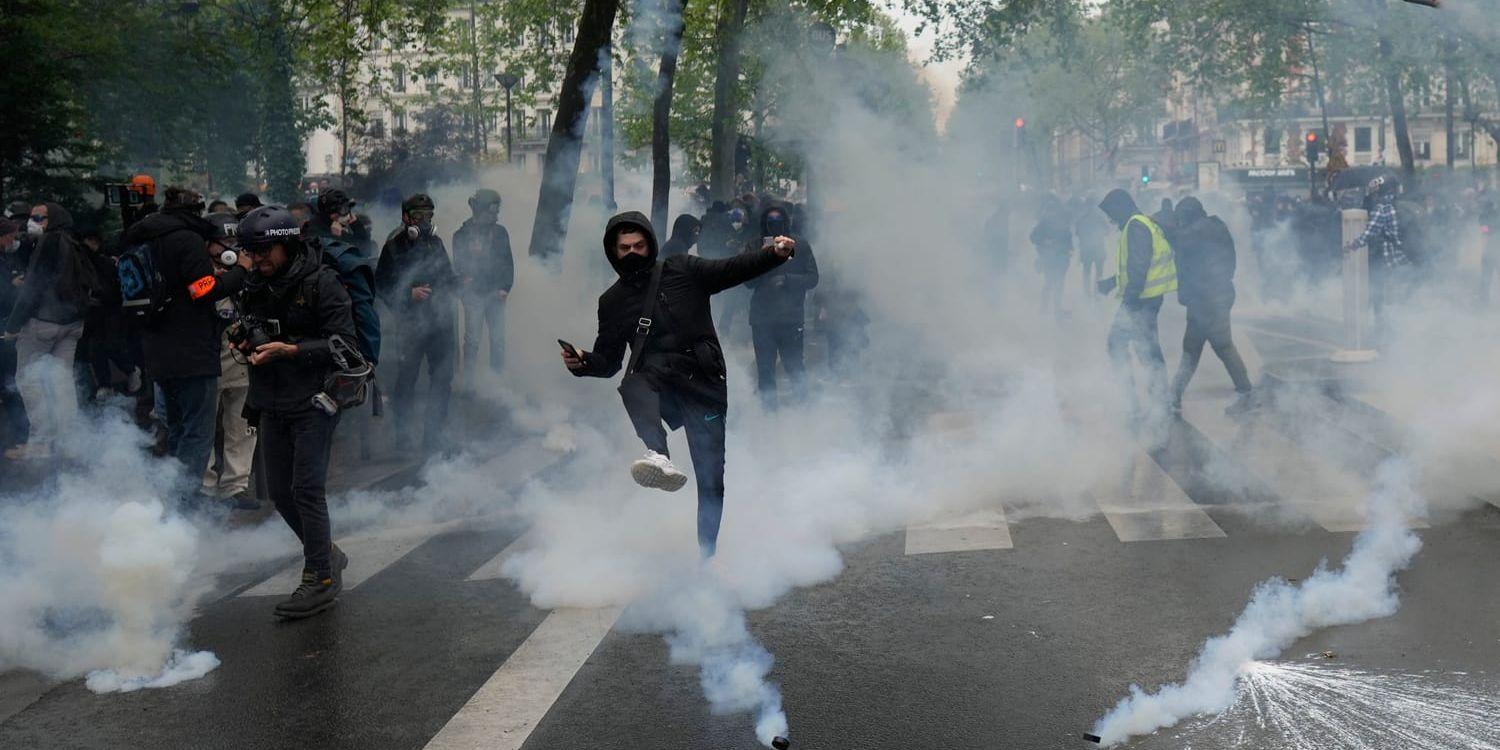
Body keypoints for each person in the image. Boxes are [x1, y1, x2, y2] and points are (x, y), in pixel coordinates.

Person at [563, 211, 794, 557]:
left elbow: (732, 269)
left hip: (703, 381)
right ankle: (658, 453)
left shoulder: (683, 269)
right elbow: (608, 362)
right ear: (612, 251)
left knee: (711, 477)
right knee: (633, 382)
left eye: (638, 245)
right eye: (623, 247)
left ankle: (707, 554)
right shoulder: (611, 302)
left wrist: (774, 254)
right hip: (659, 382)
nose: (631, 253)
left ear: (650, 245)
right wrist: (582, 363)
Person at [234, 205, 356, 619]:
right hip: (270, 400)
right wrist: (244, 343)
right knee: (280, 492)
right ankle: (327, 553)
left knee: (307, 490)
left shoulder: (323, 283)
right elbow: (248, 327)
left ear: (288, 244)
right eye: (252, 251)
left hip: (314, 400)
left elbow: (345, 345)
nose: (259, 259)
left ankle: (319, 576)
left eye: (266, 250)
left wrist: (293, 350)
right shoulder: (253, 284)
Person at [122, 188, 252, 507]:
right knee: (198, 432)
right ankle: (186, 505)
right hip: (192, 351)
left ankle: (173, 497)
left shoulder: (142, 236)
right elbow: (203, 289)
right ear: (196, 211)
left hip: (156, 349)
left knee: (178, 429)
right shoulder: (186, 239)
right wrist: (240, 271)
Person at [3, 203, 96, 460]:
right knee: (62, 380)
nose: (32, 222)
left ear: (51, 220)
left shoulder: (49, 243)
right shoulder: (75, 243)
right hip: (72, 324)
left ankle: (41, 441)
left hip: (43, 323)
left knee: (28, 379)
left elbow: (33, 287)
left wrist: (13, 325)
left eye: (38, 218)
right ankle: (71, 440)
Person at [376, 193, 457, 453]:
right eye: (419, 215)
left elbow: (446, 275)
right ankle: (403, 437)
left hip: (440, 323)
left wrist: (460, 283)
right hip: (411, 324)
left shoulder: (436, 242)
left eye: (429, 216)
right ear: (406, 217)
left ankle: (434, 436)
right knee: (406, 380)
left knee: (443, 378)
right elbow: (382, 284)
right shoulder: (394, 246)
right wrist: (408, 294)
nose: (424, 221)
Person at [1166, 197, 1254, 415]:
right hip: (1210, 296)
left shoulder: (1199, 230)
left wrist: (1163, 221)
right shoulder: (1213, 226)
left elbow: (1180, 240)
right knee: (1197, 347)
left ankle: (1246, 393)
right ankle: (1174, 395)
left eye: (1181, 217)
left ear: (1188, 214)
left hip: (1209, 298)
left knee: (1218, 345)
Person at [1097, 189, 1176, 423]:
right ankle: (1158, 402)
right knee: (1148, 350)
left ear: (1120, 208)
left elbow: (1139, 267)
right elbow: (1138, 265)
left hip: (1140, 301)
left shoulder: (1135, 226)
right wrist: (1112, 282)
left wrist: (1129, 303)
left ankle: (1138, 403)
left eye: (1111, 214)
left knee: (1121, 346)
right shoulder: (1141, 223)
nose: (1110, 220)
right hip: (1146, 298)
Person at [200, 213, 259, 510]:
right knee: (205, 425)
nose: (230, 248)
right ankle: (206, 486)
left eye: (235, 242)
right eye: (224, 242)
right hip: (209, 358)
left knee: (242, 424)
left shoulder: (247, 271)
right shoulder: (199, 271)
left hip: (239, 357)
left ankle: (236, 486)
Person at [746, 204, 819, 409]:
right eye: (770, 223)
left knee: (794, 366)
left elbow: (813, 278)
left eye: (779, 222)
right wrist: (760, 259)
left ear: (786, 223)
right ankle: (769, 413)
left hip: (790, 318)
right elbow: (745, 281)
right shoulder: (754, 246)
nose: (775, 227)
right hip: (762, 318)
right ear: (764, 224)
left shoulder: (800, 245)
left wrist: (787, 279)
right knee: (765, 369)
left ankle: (804, 410)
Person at [451, 189, 514, 377]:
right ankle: (469, 381)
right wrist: (465, 282)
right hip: (474, 295)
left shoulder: (501, 232)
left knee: (498, 341)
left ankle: (497, 379)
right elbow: (459, 265)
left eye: (497, 209)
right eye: (492, 210)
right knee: (472, 341)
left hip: (496, 293)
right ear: (479, 209)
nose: (495, 214)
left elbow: (507, 262)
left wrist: (505, 287)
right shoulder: (461, 235)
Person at [1345, 176, 1411, 342]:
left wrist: (1353, 244)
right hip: (1405, 256)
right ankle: (1406, 324)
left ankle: (1383, 326)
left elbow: (1370, 232)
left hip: (1387, 257)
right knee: (1401, 291)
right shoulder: (1406, 205)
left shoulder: (1383, 208)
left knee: (1380, 292)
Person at [0, 218, 30, 450]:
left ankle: (22, 435)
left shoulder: (5, 258)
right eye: (11, 235)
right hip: (3, 328)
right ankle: (22, 435)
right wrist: (14, 286)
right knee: (9, 382)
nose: (14, 240)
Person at [1030, 196, 1073, 315]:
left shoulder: (1054, 223)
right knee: (1053, 283)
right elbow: (1033, 237)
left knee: (1052, 283)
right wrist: (1045, 242)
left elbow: (1068, 240)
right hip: (1052, 258)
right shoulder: (1046, 223)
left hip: (1057, 258)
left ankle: (1050, 309)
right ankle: (1049, 309)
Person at [1074, 196, 1110, 296]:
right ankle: (1097, 293)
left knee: (1086, 272)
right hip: (1098, 249)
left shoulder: (1082, 218)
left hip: (1086, 249)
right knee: (1099, 273)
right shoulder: (1099, 217)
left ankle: (1087, 293)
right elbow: (1107, 231)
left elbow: (1077, 232)